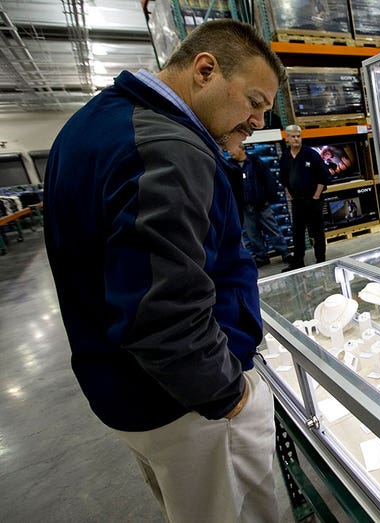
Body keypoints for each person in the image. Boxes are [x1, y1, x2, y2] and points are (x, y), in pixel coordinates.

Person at [43, 20, 286, 523]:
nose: (259, 120)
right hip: (188, 407)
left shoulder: (92, 123)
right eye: (255, 101)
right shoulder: (170, 149)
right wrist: (230, 397)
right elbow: (163, 313)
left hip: (127, 393)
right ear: (205, 70)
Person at [229, 143, 293, 267]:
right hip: (245, 207)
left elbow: (269, 180)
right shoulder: (230, 166)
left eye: (232, 149)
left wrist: (269, 198)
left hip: (261, 205)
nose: (230, 153)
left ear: (241, 149)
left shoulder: (255, 162)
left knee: (272, 229)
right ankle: (262, 257)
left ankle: (285, 253)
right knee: (252, 234)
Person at [279, 124, 328, 270]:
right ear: (287, 138)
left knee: (317, 231)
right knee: (298, 232)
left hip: (313, 200)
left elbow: (323, 176)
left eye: (298, 136)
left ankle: (321, 260)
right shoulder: (286, 157)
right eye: (293, 136)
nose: (296, 139)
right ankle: (298, 261)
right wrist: (289, 194)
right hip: (297, 201)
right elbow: (283, 178)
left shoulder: (310, 154)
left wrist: (316, 195)